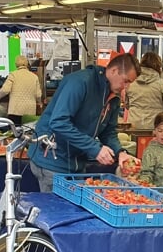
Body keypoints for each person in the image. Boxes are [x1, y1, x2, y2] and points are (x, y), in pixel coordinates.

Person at [28, 53, 140, 192]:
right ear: (114, 71)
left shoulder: (114, 97)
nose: (126, 87)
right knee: (57, 210)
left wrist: (120, 152)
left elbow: (108, 132)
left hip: (76, 164)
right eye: (126, 81)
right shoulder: (80, 82)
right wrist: (95, 148)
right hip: (52, 160)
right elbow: (58, 122)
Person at [127, 52, 163, 130]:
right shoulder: (162, 84)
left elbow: (127, 105)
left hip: (134, 125)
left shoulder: (131, 82)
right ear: (158, 66)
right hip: (156, 126)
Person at [0, 55, 42, 126]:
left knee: (14, 132)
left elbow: (5, 90)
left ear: (16, 64)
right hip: (29, 111)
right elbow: (38, 95)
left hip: (15, 110)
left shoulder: (13, 75)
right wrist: (40, 103)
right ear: (27, 64)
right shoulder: (34, 77)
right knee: (28, 132)